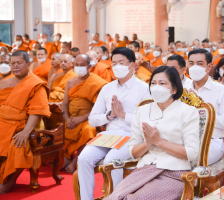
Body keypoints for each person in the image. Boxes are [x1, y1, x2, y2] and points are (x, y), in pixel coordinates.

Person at [104, 66, 199, 200]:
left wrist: (159, 142)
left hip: (175, 173)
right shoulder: (141, 111)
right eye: (153, 83)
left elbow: (192, 153)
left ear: (174, 89)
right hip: (144, 170)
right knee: (114, 198)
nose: (156, 87)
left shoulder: (187, 112)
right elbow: (133, 152)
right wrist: (147, 143)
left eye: (162, 83)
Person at [78, 47, 151, 200]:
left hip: (132, 135)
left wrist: (123, 115)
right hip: (109, 134)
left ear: (132, 65)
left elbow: (148, 120)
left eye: (121, 63)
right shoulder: (107, 88)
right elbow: (92, 119)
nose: (117, 66)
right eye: (114, 63)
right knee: (83, 158)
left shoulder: (144, 89)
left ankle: (116, 197)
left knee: (113, 161)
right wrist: (109, 116)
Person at [0, 50, 50, 193]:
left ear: (28, 64)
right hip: (3, 123)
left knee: (18, 145)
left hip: (25, 126)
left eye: (19, 63)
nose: (15, 66)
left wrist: (26, 132)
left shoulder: (36, 84)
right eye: (13, 63)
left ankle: (9, 182)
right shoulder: (4, 83)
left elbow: (37, 111)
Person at [185, 49, 224, 165]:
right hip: (184, 140)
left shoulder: (222, 90)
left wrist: (202, 111)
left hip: (212, 141)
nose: (194, 67)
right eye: (191, 63)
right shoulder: (183, 89)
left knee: (191, 160)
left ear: (209, 67)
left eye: (200, 63)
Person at [61, 54, 107, 173]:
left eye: (82, 65)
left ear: (89, 67)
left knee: (88, 130)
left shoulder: (97, 83)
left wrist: (80, 119)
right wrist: (67, 119)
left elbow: (100, 108)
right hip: (71, 118)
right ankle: (66, 158)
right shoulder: (70, 82)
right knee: (62, 129)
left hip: (88, 118)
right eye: (77, 65)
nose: (79, 67)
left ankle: (76, 160)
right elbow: (64, 104)